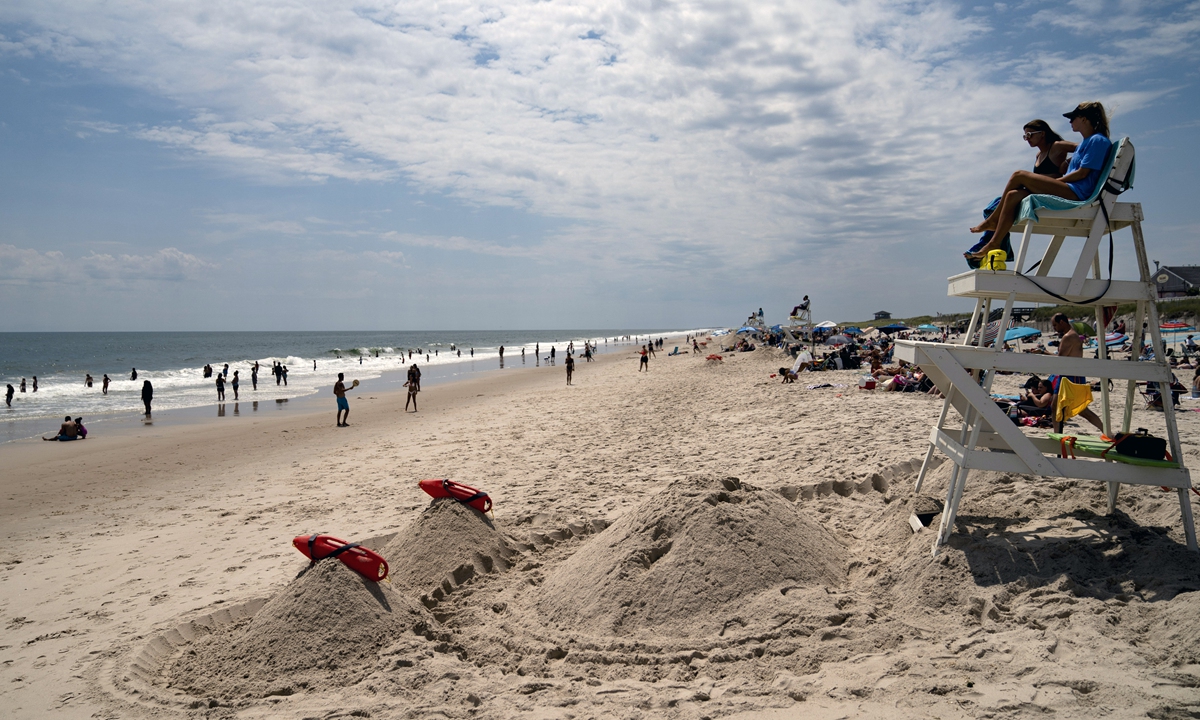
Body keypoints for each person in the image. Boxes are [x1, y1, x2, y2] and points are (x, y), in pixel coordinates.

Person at [968, 103, 1112, 261]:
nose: (1070, 122)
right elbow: (1084, 159)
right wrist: (1068, 162)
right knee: (1013, 195)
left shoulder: (1097, 140)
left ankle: (993, 220)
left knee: (1018, 175)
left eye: (1073, 118)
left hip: (1077, 193)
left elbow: (1083, 173)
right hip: (1069, 188)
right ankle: (995, 242)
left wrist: (1059, 180)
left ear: (1084, 119)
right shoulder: (1087, 142)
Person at [1048, 313, 1104, 433]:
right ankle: (1057, 433)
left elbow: (1060, 359)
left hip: (1073, 376)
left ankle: (1105, 430)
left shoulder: (1069, 337)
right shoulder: (1070, 335)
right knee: (1054, 406)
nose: (1054, 328)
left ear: (1062, 322)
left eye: (1055, 325)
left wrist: (1044, 353)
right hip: (1065, 375)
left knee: (1082, 410)